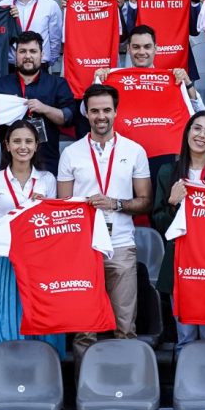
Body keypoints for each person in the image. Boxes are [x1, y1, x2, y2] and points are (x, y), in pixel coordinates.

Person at [57, 84, 151, 360]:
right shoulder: (71, 153)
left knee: (125, 327)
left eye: (107, 110)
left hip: (121, 246)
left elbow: (145, 200)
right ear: (85, 113)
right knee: (84, 331)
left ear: (116, 112)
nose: (101, 116)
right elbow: (65, 207)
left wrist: (115, 203)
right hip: (83, 249)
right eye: (95, 110)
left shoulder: (134, 150)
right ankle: (86, 395)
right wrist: (83, 208)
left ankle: (127, 395)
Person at [0, 119, 64, 355]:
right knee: (9, 321)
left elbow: (54, 223)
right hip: (5, 259)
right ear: (7, 145)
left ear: (36, 146)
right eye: (17, 141)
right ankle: (10, 378)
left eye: (29, 141)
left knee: (43, 321)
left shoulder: (48, 180)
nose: (23, 146)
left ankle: (45, 376)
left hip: (40, 262)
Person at [152, 110, 205, 351]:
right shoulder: (168, 173)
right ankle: (185, 389)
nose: (202, 135)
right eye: (197, 128)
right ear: (188, 132)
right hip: (180, 263)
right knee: (185, 339)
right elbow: (160, 223)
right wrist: (172, 202)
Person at [0, 32, 74, 174]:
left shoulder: (57, 84)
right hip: (9, 165)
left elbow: (68, 118)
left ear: (42, 55)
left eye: (33, 51)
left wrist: (45, 109)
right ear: (15, 55)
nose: (27, 56)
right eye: (22, 51)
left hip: (47, 164)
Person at [94, 25, 205, 111]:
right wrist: (96, 83)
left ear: (155, 49)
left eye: (147, 47)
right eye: (136, 47)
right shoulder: (111, 78)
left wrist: (188, 83)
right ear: (128, 49)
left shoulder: (172, 79)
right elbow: (86, 112)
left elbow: (199, 110)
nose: (142, 52)